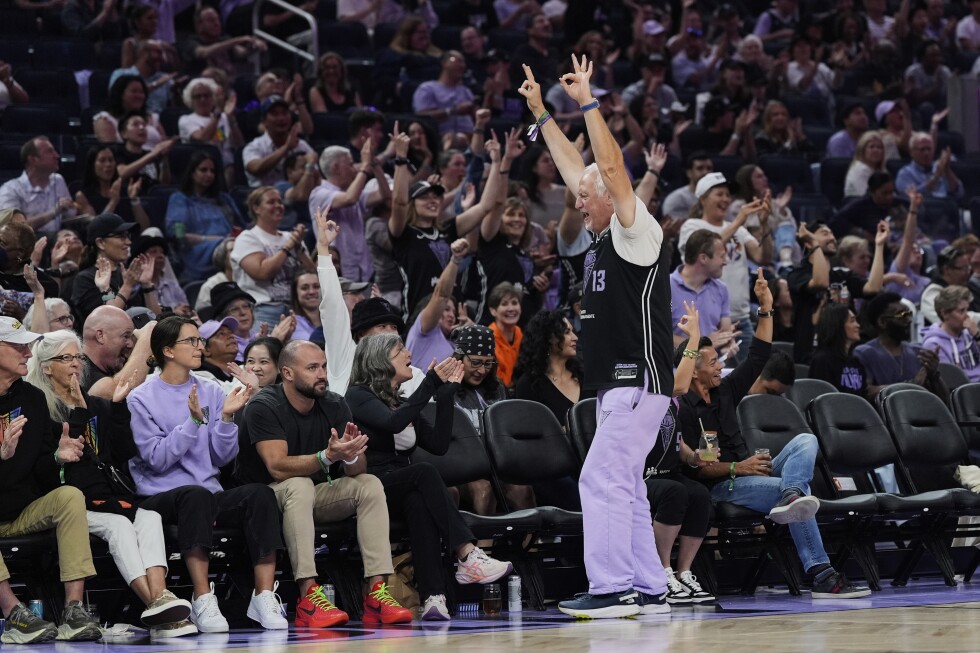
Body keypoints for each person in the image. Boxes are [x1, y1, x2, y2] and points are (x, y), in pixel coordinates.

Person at [519, 55, 674, 618]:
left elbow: (606, 170)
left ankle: (612, 589)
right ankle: (650, 586)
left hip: (637, 379)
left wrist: (588, 104)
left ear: (612, 195)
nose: (577, 201)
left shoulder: (638, 232)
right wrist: (540, 114)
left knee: (600, 478)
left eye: (587, 197)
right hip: (616, 385)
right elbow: (576, 170)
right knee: (626, 485)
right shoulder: (601, 233)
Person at [679, 269, 871, 599]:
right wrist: (742, 467)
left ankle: (791, 495)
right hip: (724, 485)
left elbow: (759, 355)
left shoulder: (724, 390)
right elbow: (701, 468)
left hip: (750, 472)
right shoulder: (686, 408)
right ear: (694, 369)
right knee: (795, 491)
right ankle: (822, 574)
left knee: (806, 441)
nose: (720, 366)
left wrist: (765, 307)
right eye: (712, 362)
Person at [26, 330, 196, 637]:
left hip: (108, 499)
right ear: (47, 366)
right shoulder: (41, 409)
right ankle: (156, 606)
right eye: (66, 358)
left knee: (151, 517)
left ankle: (160, 598)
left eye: (77, 357)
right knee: (118, 526)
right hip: (69, 504)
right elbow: (69, 462)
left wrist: (117, 409)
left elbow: (124, 453)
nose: (75, 364)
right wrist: (78, 412)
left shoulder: (96, 404)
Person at [235, 339, 413, 627]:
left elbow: (356, 470)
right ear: (288, 374)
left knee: (368, 483)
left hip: (312, 496)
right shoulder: (264, 405)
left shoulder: (333, 403)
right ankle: (308, 595)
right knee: (299, 484)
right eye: (312, 368)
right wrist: (327, 456)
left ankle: (377, 592)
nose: (322, 374)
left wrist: (350, 454)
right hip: (265, 499)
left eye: (324, 366)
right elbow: (277, 467)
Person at [127, 316, 287, 632]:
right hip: (158, 496)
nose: (200, 346)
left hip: (206, 490)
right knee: (195, 495)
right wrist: (192, 423)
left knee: (260, 494)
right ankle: (203, 599)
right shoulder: (141, 397)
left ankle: (264, 595)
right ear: (168, 350)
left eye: (199, 340)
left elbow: (220, 456)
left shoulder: (210, 389)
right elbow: (157, 460)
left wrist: (227, 418)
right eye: (191, 341)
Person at [346, 334, 514, 620]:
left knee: (419, 504)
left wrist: (446, 395)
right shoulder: (358, 396)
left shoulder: (399, 402)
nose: (408, 354)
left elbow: (438, 444)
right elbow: (392, 424)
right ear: (380, 361)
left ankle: (433, 597)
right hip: (369, 485)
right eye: (400, 350)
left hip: (402, 483)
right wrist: (431, 383)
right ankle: (467, 553)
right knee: (423, 473)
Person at [0, 316, 102, 643]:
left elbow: (41, 472)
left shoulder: (31, 398)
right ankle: (14, 614)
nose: (28, 352)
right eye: (17, 345)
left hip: (20, 510)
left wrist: (56, 458)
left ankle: (73, 611)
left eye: (28, 345)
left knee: (70, 496)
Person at [679, 172, 769, 363]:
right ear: (702, 198)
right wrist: (739, 220)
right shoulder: (692, 226)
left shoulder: (739, 229)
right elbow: (702, 249)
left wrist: (764, 224)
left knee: (748, 382)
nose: (726, 199)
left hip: (741, 319)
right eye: (719, 194)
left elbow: (763, 257)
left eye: (728, 195)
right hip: (709, 323)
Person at [788, 221, 887, 362]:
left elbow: (873, 287)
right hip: (811, 356)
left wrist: (879, 245)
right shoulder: (797, 275)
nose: (832, 238)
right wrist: (814, 244)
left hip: (845, 355)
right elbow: (821, 282)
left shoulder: (843, 275)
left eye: (832, 233)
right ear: (808, 243)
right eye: (825, 233)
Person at [232, 186, 316, 327]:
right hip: (265, 308)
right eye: (271, 202)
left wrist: (298, 248)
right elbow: (262, 273)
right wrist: (288, 247)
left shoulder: (291, 237)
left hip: (297, 309)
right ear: (256, 208)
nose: (278, 206)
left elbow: (312, 275)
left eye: (280, 202)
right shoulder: (248, 238)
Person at [308, 142, 388, 284]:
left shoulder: (354, 193)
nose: (354, 170)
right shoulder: (319, 193)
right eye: (350, 165)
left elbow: (385, 194)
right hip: (336, 272)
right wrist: (365, 168)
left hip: (364, 272)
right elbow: (349, 199)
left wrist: (375, 165)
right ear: (336, 167)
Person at [166, 150, 244, 282]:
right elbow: (179, 236)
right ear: (192, 173)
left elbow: (240, 226)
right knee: (230, 246)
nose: (209, 175)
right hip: (197, 253)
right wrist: (216, 240)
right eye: (203, 170)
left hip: (230, 246)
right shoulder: (180, 199)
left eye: (212, 171)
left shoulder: (224, 199)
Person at [72, 213, 162, 318]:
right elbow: (107, 323)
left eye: (128, 236)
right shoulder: (85, 279)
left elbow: (157, 319)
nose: (128, 242)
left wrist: (147, 285)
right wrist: (127, 286)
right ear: (101, 243)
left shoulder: (127, 274)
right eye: (121, 236)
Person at [854, 292, 944, 391]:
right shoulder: (865, 353)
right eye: (902, 315)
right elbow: (865, 392)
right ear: (882, 322)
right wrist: (911, 386)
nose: (909, 320)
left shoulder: (918, 352)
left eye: (909, 314)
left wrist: (934, 375)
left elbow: (945, 400)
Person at [513, 309, 584, 427]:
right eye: (567, 332)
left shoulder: (583, 375)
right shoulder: (529, 385)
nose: (575, 337)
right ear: (549, 338)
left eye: (573, 331)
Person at [405, 239, 468, 368]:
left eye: (453, 311)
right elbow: (441, 296)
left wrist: (469, 331)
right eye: (446, 309)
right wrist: (455, 259)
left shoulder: (453, 343)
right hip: (421, 388)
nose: (452, 315)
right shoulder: (423, 330)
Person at [669, 229, 731, 349]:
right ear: (703, 258)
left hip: (714, 366)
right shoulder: (665, 287)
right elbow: (658, 336)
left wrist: (728, 345)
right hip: (676, 366)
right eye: (722, 256)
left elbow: (725, 333)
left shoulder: (721, 289)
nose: (726, 261)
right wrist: (703, 343)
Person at [0, 136, 75, 234]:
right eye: (49, 151)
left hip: (55, 240)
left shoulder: (58, 180)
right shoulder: (10, 189)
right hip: (27, 244)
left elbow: (70, 215)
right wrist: (53, 212)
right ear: (33, 159)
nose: (57, 156)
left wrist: (76, 207)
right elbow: (13, 229)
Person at [178, 77, 243, 188]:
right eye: (198, 96)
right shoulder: (186, 120)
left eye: (207, 95)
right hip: (202, 167)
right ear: (190, 100)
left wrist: (230, 118)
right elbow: (203, 138)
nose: (203, 99)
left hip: (228, 165)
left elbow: (239, 145)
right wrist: (217, 113)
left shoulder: (223, 117)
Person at [243, 95, 315, 189]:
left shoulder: (301, 145)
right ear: (264, 121)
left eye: (284, 113)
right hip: (265, 197)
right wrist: (286, 148)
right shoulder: (254, 146)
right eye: (275, 114)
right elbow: (255, 168)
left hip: (296, 196)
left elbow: (316, 174)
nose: (281, 118)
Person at [74, 145, 149, 228]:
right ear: (92, 165)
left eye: (111, 160)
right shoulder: (83, 195)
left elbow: (144, 228)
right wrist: (113, 202)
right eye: (102, 160)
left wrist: (134, 200)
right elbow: (95, 229)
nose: (108, 164)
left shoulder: (126, 190)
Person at [809, 303, 873, 399]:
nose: (858, 325)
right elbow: (821, 400)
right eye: (852, 321)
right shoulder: (822, 361)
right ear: (837, 325)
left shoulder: (856, 362)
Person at [920, 285, 980, 382]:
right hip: (963, 392)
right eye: (961, 311)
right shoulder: (934, 344)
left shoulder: (969, 334)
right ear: (944, 314)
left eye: (967, 310)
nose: (967, 315)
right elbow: (950, 380)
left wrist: (977, 336)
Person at [93, 75, 166, 146]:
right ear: (120, 94)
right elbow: (109, 151)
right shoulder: (106, 120)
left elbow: (165, 146)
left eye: (142, 92)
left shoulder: (152, 117)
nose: (139, 96)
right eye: (134, 91)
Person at [896, 132, 963, 201]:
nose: (926, 153)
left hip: (945, 207)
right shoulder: (905, 174)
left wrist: (947, 170)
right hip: (922, 209)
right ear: (911, 152)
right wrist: (935, 177)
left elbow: (959, 193)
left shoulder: (940, 166)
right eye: (922, 149)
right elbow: (912, 197)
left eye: (929, 149)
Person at [844, 131, 887, 198]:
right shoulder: (860, 169)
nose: (876, 150)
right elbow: (866, 198)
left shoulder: (881, 171)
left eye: (879, 147)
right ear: (862, 150)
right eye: (871, 147)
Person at [290, 271, 321, 341]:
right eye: (304, 288)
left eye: (316, 286)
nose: (312, 292)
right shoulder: (292, 324)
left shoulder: (333, 319)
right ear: (295, 292)